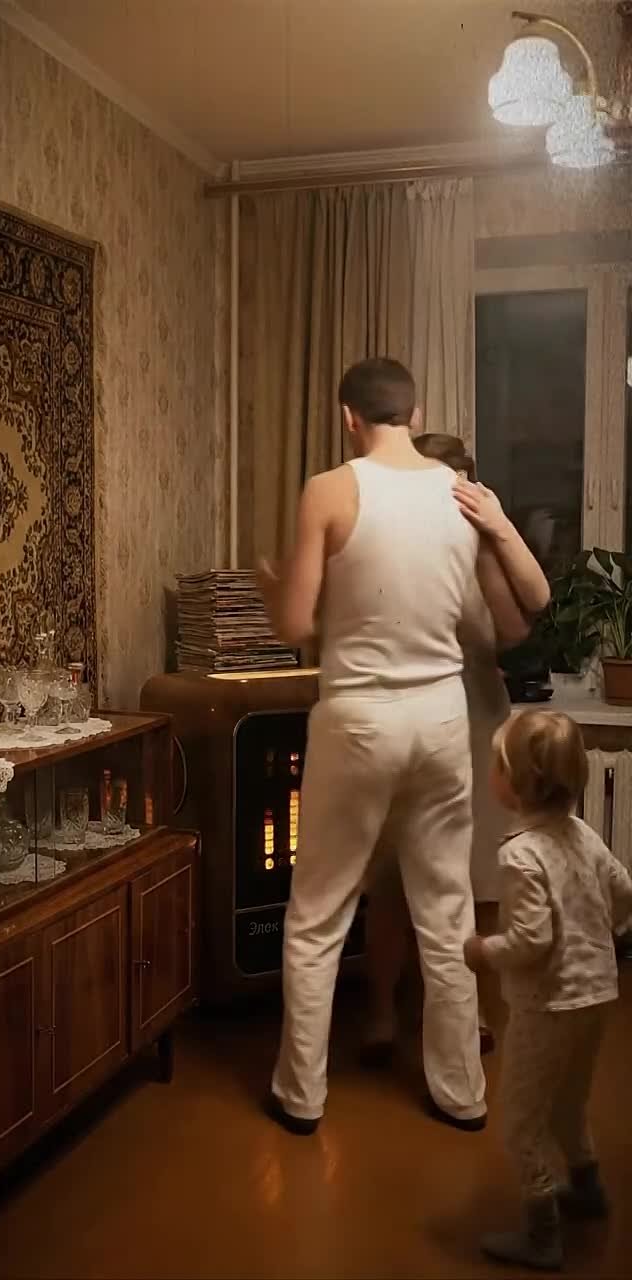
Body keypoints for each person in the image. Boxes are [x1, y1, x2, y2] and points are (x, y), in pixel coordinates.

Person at [257, 357, 545, 1136]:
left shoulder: (330, 489)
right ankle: (462, 1094)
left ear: (347, 417)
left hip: (358, 718)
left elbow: (295, 626)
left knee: (319, 913)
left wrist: (274, 587)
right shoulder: (459, 495)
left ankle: (301, 1095)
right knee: (446, 912)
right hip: (442, 718)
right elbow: (515, 614)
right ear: (414, 414)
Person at [363, 433, 548, 1062]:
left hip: (474, 723)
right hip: (401, 723)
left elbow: (518, 625)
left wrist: (493, 533)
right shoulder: (384, 540)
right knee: (391, 875)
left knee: (474, 876)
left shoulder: (482, 546)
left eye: (459, 485)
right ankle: (382, 1010)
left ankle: (469, 1011)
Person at [465, 711, 632, 1272]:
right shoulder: (583, 833)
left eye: (497, 764)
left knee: (520, 1121)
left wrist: (483, 950)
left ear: (515, 784)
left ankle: (542, 1233)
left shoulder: (520, 855)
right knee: (568, 1101)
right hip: (598, 994)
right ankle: (587, 1188)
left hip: (548, 1005)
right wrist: (600, 932)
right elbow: (624, 890)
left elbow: (531, 941)